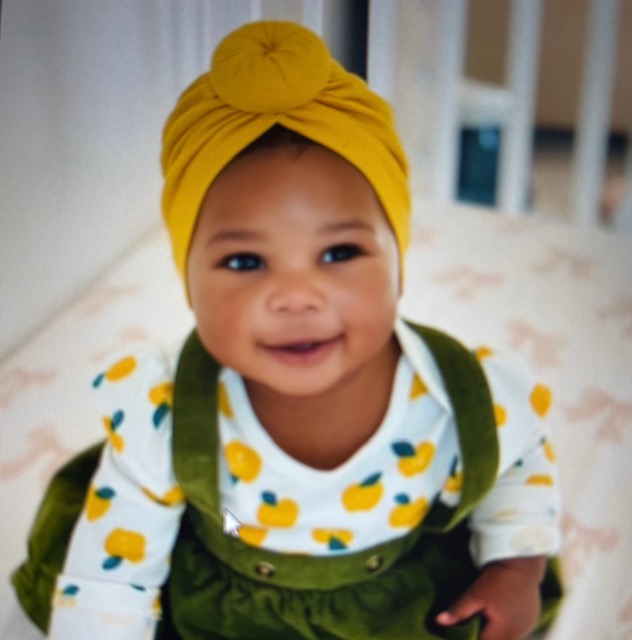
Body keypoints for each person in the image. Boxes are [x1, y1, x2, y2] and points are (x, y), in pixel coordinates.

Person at [13, 21, 562, 640]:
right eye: (246, 261)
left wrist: (517, 566)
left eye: (339, 253)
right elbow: (114, 570)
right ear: (188, 282)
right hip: (225, 575)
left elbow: (517, 463)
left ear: (398, 264)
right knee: (165, 545)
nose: (296, 296)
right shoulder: (166, 414)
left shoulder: (463, 396)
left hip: (395, 595)